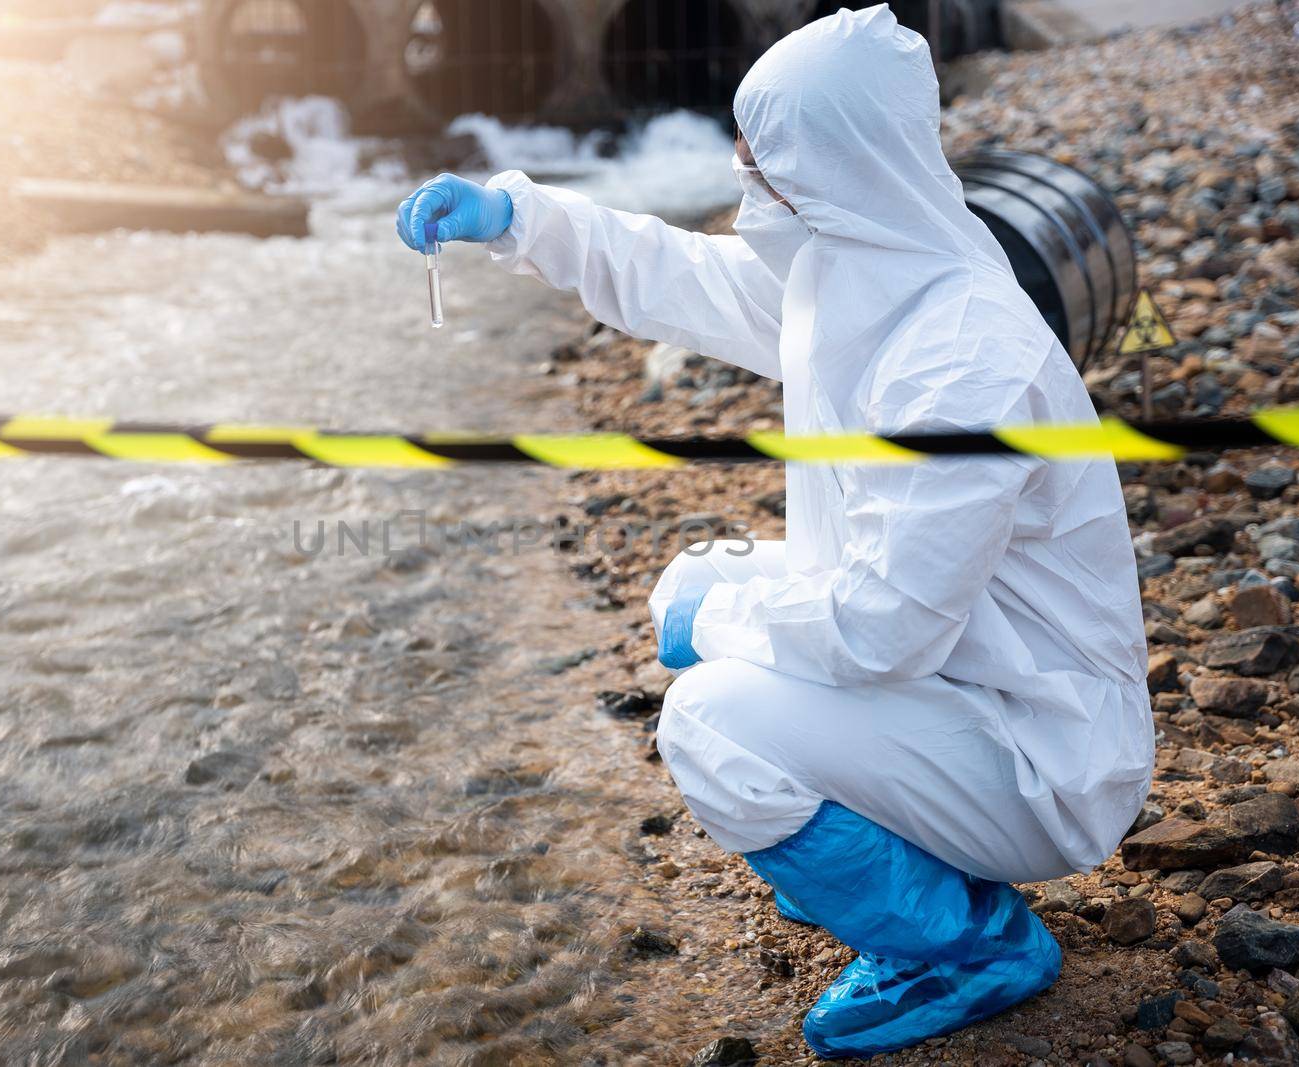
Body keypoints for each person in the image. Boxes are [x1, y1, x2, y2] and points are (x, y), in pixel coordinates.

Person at [395, 4, 1152, 1058]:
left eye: (759, 166)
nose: (743, 183)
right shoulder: (867, 272)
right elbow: (688, 279)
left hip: (1040, 751)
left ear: (833, 166)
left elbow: (881, 630)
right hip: (967, 666)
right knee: (687, 580)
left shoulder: (960, 360)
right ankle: (879, 848)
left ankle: (964, 942)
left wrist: (726, 626)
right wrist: (516, 218)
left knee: (710, 719)